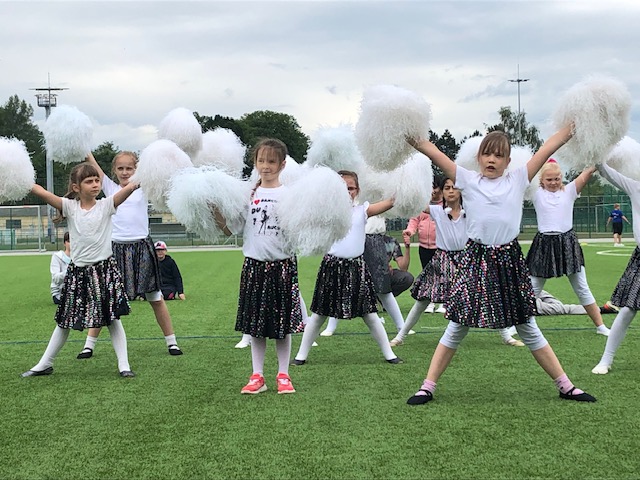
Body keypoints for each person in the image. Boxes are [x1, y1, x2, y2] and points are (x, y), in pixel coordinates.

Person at [405, 127, 596, 404]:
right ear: (479, 157)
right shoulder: (467, 179)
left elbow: (547, 148)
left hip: (509, 260)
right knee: (457, 325)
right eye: (487, 153)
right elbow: (433, 152)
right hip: (475, 259)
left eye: (499, 155)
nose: (491, 159)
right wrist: (409, 135)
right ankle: (427, 387)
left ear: (508, 161)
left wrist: (572, 127)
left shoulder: (519, 178)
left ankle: (565, 385)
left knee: (527, 325)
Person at [22, 162, 137, 378]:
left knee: (112, 319)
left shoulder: (106, 205)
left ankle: (124, 365)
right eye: (89, 181)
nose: (95, 184)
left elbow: (128, 189)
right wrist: (18, 178)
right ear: (76, 187)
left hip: (104, 272)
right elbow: (42, 192)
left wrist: (143, 177)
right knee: (64, 320)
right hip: (78, 274)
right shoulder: (69, 207)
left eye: (97, 180)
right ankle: (44, 363)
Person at [389, 176, 522, 348]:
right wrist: (403, 190)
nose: (450, 191)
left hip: (468, 260)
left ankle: (506, 336)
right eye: (447, 188)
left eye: (454, 187)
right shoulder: (436, 211)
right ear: (442, 192)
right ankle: (400, 336)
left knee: (487, 295)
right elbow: (413, 206)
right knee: (423, 300)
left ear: (461, 191)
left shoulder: (472, 211)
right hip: (442, 261)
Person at [76, 152, 183, 360]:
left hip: (142, 248)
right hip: (114, 249)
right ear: (114, 170)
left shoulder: (144, 187)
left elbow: (163, 173)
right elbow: (93, 164)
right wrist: (85, 149)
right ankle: (89, 345)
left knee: (155, 297)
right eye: (120, 168)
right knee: (105, 298)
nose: (125, 172)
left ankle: (172, 342)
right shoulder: (108, 187)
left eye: (129, 168)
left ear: (137, 169)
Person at [216, 138, 302, 394]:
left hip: (283, 267)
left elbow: (299, 230)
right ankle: (257, 376)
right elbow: (230, 229)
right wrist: (213, 211)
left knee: (281, 325)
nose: (266, 166)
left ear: (282, 164)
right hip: (254, 267)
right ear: (255, 163)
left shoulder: (289, 195)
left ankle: (284, 375)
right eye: (261, 161)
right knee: (256, 325)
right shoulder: (248, 195)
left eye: (272, 161)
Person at [292, 170, 402, 365]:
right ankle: (301, 356)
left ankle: (389, 354)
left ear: (357, 190)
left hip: (357, 268)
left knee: (370, 315)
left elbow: (391, 202)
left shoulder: (362, 210)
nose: (346, 192)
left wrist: (403, 182)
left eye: (350, 188)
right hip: (331, 268)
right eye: (341, 188)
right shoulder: (326, 213)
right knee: (318, 315)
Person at [526, 160, 610, 336]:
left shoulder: (570, 190)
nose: (554, 182)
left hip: (568, 244)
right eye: (549, 179)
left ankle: (600, 326)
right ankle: (517, 325)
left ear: (561, 177)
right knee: (532, 288)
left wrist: (598, 160)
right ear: (541, 180)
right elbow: (524, 174)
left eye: (557, 178)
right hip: (544, 245)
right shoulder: (535, 192)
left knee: (582, 287)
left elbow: (586, 174)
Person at [319, 219, 414, 337]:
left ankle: (401, 326)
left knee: (383, 289)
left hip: (375, 240)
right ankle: (331, 326)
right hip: (357, 237)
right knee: (345, 285)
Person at [592, 163, 640, 375]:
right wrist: (597, 157)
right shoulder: (635, 187)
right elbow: (607, 172)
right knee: (628, 309)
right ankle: (606, 359)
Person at [403, 176, 444, 313]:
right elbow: (414, 221)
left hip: (440, 247)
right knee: (428, 274)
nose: (433, 191)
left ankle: (443, 303)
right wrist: (410, 231)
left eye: (435, 187)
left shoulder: (445, 206)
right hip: (423, 247)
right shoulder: (423, 206)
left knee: (442, 274)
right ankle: (430, 302)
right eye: (431, 187)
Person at [50, 231, 71, 305]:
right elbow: (55, 278)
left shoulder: (79, 258)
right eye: (69, 241)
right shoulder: (57, 257)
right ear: (65, 243)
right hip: (59, 293)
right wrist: (69, 272)